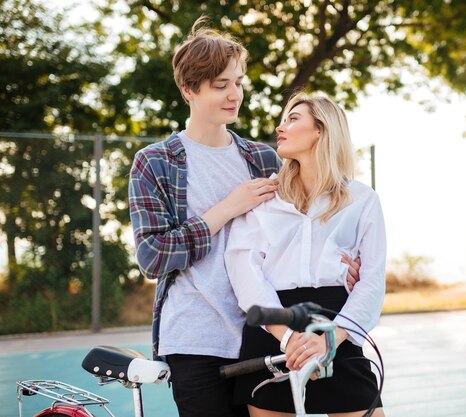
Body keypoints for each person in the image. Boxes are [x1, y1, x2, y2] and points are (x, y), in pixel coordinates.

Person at [128, 19, 361, 417]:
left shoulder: (263, 159)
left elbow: (303, 233)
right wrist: (225, 210)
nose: (234, 94)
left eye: (238, 81)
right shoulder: (155, 162)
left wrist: (343, 268)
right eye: (221, 85)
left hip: (263, 334)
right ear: (189, 89)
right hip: (195, 339)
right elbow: (153, 256)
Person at [225, 92, 387, 417]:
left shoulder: (362, 200)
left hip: (338, 330)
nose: (280, 127)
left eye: (293, 118)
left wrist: (331, 339)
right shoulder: (263, 197)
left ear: (321, 130)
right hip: (271, 329)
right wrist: (288, 339)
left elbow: (372, 281)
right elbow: (244, 272)